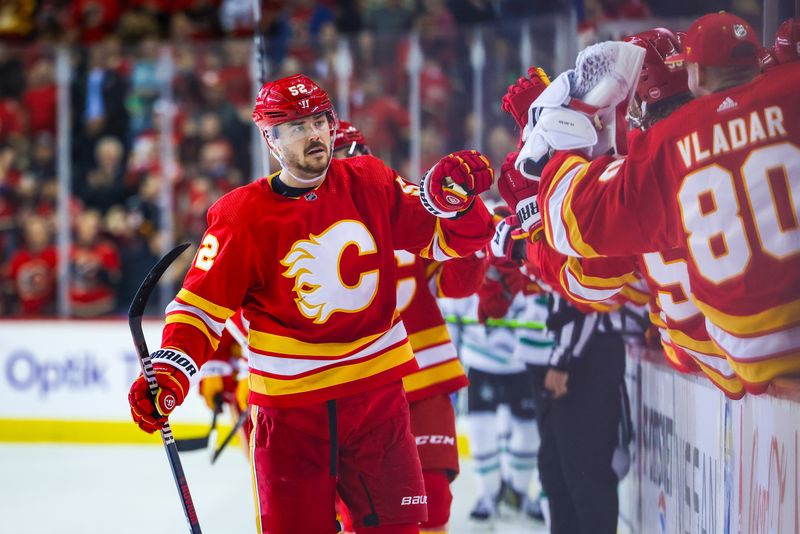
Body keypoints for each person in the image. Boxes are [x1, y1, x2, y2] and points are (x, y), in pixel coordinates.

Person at [127, 74, 495, 534]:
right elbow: (199, 308)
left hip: (380, 407)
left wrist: (456, 203)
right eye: (299, 125)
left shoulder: (372, 180)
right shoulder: (243, 215)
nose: (316, 133)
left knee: (404, 526)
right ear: (270, 138)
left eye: (321, 120)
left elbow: (450, 242)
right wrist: (171, 369)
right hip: (291, 419)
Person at [521, 12, 800, 393]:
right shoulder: (788, 95)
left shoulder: (661, 151)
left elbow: (582, 267)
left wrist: (552, 143)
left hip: (731, 357)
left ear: (696, 74)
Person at [496, 31, 746, 399]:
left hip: (709, 367)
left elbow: (588, 284)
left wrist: (545, 146)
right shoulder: (746, 129)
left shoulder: (641, 171)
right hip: (760, 348)